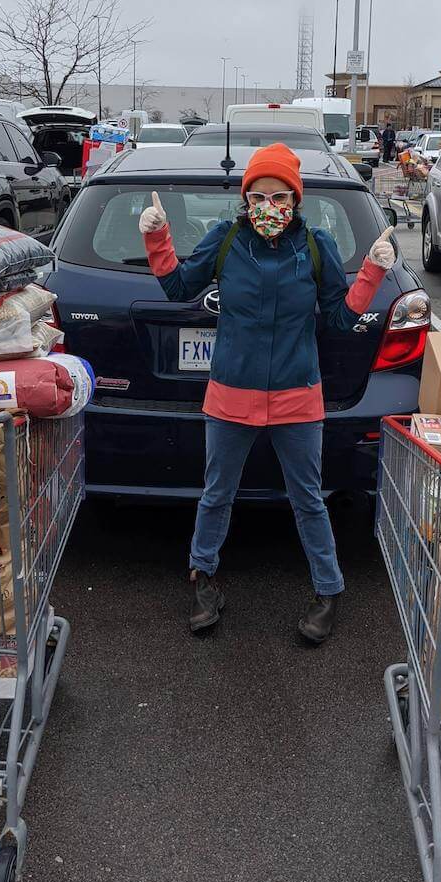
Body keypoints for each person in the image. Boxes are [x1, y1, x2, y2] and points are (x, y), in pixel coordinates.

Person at [139, 142, 395, 643]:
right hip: (231, 394)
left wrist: (372, 273)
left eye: (279, 196)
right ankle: (203, 578)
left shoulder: (316, 245)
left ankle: (329, 591)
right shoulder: (227, 237)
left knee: (308, 500)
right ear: (245, 198)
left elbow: (342, 317)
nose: (268, 206)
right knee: (217, 495)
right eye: (258, 195)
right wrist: (158, 238)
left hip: (297, 397)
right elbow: (177, 288)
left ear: (296, 200)